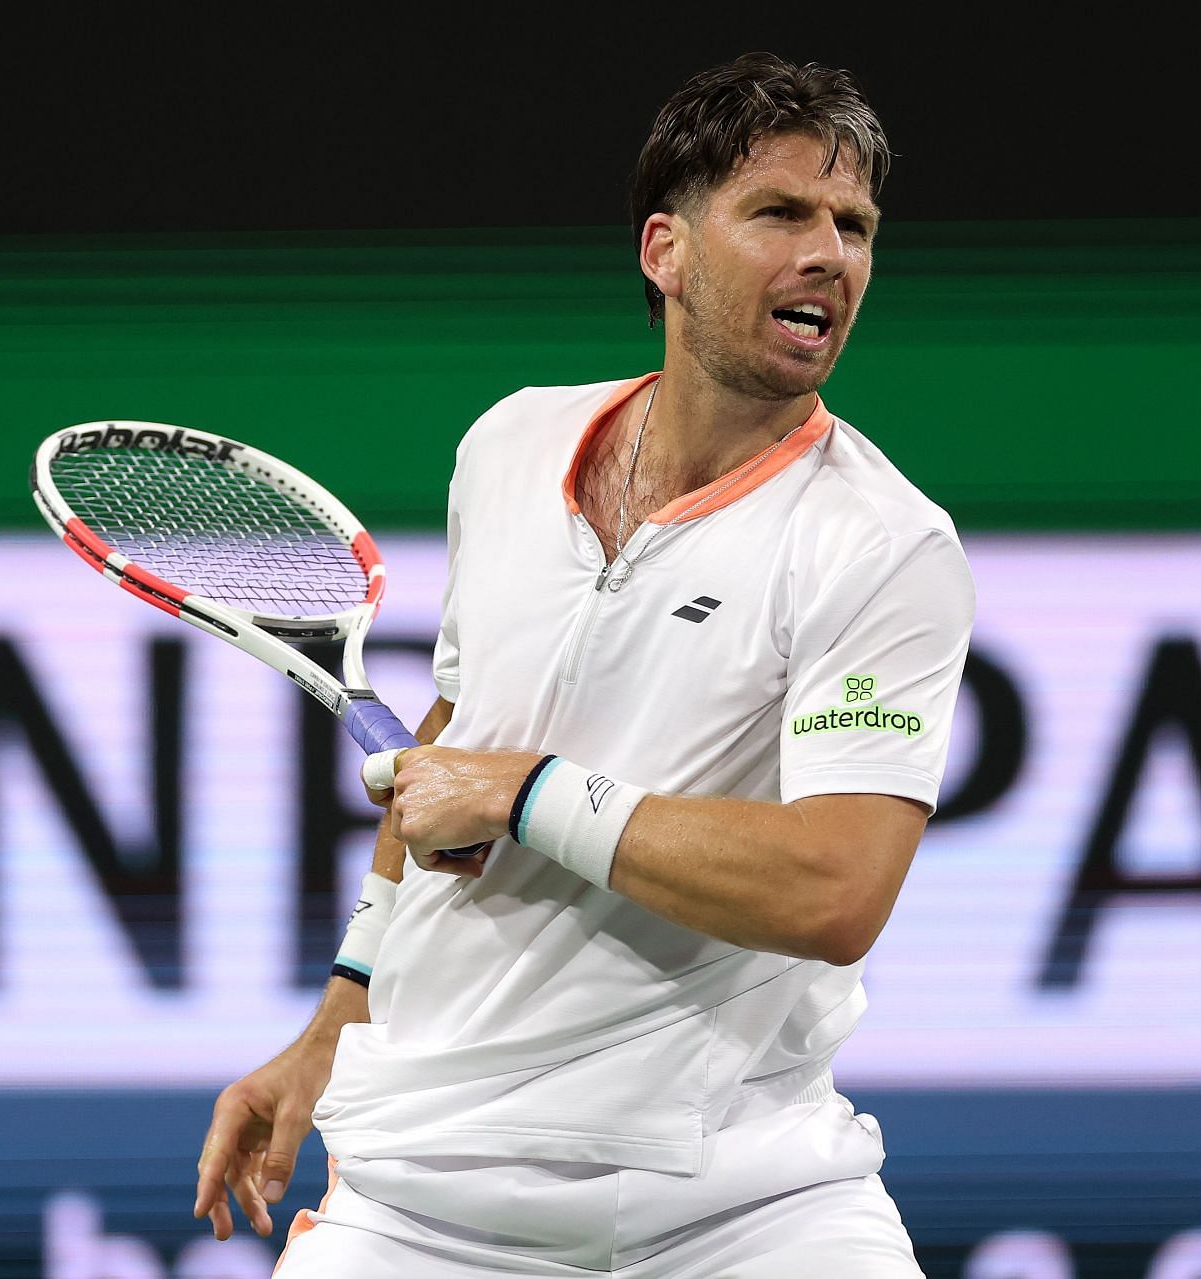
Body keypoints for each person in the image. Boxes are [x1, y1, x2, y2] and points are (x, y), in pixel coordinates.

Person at [193, 52, 975, 1278]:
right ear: (666, 250)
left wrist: (525, 793)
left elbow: (836, 890)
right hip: (425, 1200)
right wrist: (336, 1018)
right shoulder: (509, 445)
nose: (830, 254)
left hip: (747, 1203)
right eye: (780, 213)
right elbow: (452, 740)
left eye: (855, 226)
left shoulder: (884, 545)